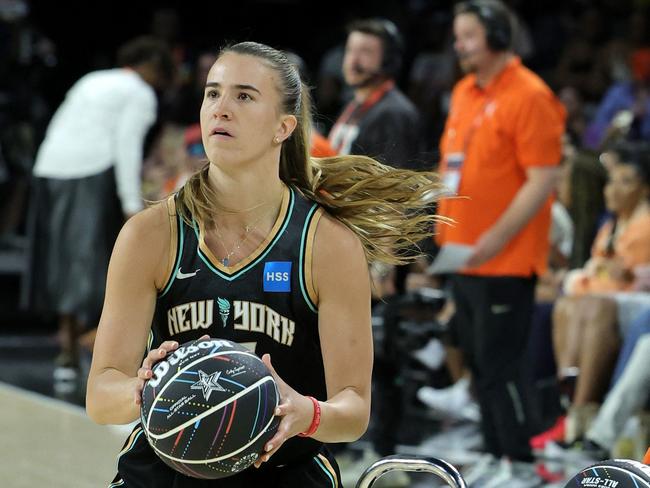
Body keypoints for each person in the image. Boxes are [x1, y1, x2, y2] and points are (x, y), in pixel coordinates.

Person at [86, 41, 445, 487]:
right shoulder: (151, 234)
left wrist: (307, 413)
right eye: (212, 93)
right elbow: (101, 396)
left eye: (244, 96)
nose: (221, 108)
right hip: (167, 468)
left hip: (283, 470)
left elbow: (353, 411)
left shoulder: (326, 243)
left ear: (283, 127)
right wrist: (142, 389)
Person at [435, 0, 566, 480]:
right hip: (462, 255)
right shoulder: (465, 91)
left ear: (494, 36)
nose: (459, 45)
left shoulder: (530, 95)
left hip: (505, 260)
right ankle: (496, 456)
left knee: (501, 368)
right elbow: (451, 169)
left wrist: (494, 238)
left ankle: (522, 461)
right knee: (478, 365)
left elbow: (542, 180)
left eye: (467, 35)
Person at [30, 36, 174, 383]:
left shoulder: (93, 79)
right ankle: (72, 347)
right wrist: (129, 204)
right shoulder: (138, 92)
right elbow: (127, 146)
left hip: (49, 170)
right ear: (153, 68)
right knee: (87, 262)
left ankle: (71, 345)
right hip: (89, 172)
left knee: (62, 260)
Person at [328, 18, 420, 170]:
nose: (353, 61)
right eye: (350, 50)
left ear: (388, 60)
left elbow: (392, 181)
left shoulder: (395, 113)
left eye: (365, 52)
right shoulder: (354, 103)